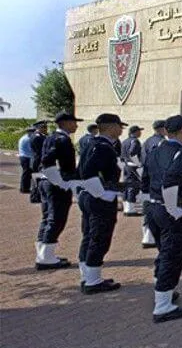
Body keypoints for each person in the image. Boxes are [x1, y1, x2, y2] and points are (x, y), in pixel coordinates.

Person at [143, 115, 182, 323]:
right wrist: (173, 209)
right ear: (181, 131)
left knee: (163, 252)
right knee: (171, 255)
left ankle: (163, 292)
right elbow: (171, 182)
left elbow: (145, 180)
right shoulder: (181, 153)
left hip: (153, 207)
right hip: (168, 209)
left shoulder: (155, 150)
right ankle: (163, 306)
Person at [77, 114, 127, 294]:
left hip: (89, 196)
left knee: (89, 236)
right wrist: (104, 195)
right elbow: (88, 172)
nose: (121, 130)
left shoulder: (91, 143)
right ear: (111, 126)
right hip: (98, 199)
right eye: (119, 126)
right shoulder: (103, 147)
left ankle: (88, 275)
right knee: (99, 238)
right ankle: (92, 281)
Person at [35, 112, 84, 271]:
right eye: (74, 122)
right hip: (55, 184)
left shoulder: (51, 137)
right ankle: (46, 258)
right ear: (65, 123)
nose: (76, 125)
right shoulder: (62, 140)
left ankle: (43, 253)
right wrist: (62, 183)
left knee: (47, 218)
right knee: (56, 219)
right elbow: (48, 163)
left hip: (46, 182)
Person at [140, 120, 167, 249]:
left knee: (148, 207)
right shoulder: (162, 142)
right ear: (162, 129)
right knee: (157, 207)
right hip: (157, 179)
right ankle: (151, 237)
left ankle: (147, 236)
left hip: (147, 177)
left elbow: (142, 159)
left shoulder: (147, 141)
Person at [121, 125, 144, 216]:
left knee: (127, 186)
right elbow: (132, 153)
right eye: (139, 131)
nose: (140, 133)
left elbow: (122, 156)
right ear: (135, 132)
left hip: (126, 165)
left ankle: (126, 208)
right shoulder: (135, 141)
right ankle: (130, 210)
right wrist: (138, 164)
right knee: (133, 186)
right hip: (133, 166)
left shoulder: (125, 141)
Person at [28, 120, 49, 204]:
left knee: (38, 179)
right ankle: (35, 197)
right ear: (39, 128)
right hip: (37, 161)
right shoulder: (37, 137)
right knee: (37, 179)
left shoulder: (39, 136)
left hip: (37, 160)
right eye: (44, 127)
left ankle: (36, 196)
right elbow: (40, 151)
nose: (46, 129)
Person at [18, 127, 34, 194]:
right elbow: (32, 149)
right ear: (30, 132)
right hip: (27, 157)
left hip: (23, 157)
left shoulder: (23, 137)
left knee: (26, 173)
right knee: (27, 173)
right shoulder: (28, 139)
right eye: (33, 132)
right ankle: (24, 189)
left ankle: (23, 188)